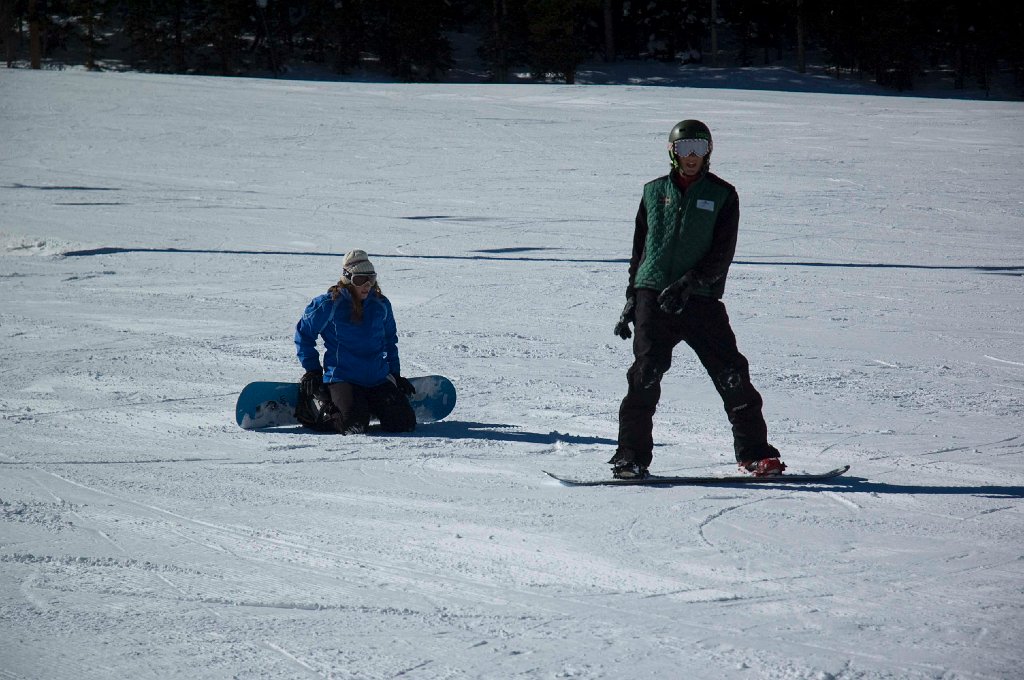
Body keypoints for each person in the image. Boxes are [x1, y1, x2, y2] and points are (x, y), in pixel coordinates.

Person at [610, 120, 784, 479]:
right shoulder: (652, 192)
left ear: (709, 152)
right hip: (653, 298)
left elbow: (722, 253)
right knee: (644, 377)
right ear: (673, 152)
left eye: (699, 148)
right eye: (685, 148)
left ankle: (755, 454)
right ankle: (630, 458)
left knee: (731, 375)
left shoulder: (723, 195)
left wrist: (689, 283)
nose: (692, 156)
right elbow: (640, 251)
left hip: (700, 300)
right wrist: (632, 297)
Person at [294, 249, 416, 434]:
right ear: (347, 278)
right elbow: (304, 334)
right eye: (360, 279)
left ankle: (367, 405)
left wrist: (395, 374)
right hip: (343, 377)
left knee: (404, 424)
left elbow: (389, 341)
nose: (367, 285)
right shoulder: (329, 304)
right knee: (353, 425)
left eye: (371, 279)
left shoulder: (381, 304)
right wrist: (312, 370)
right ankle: (316, 406)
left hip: (377, 378)